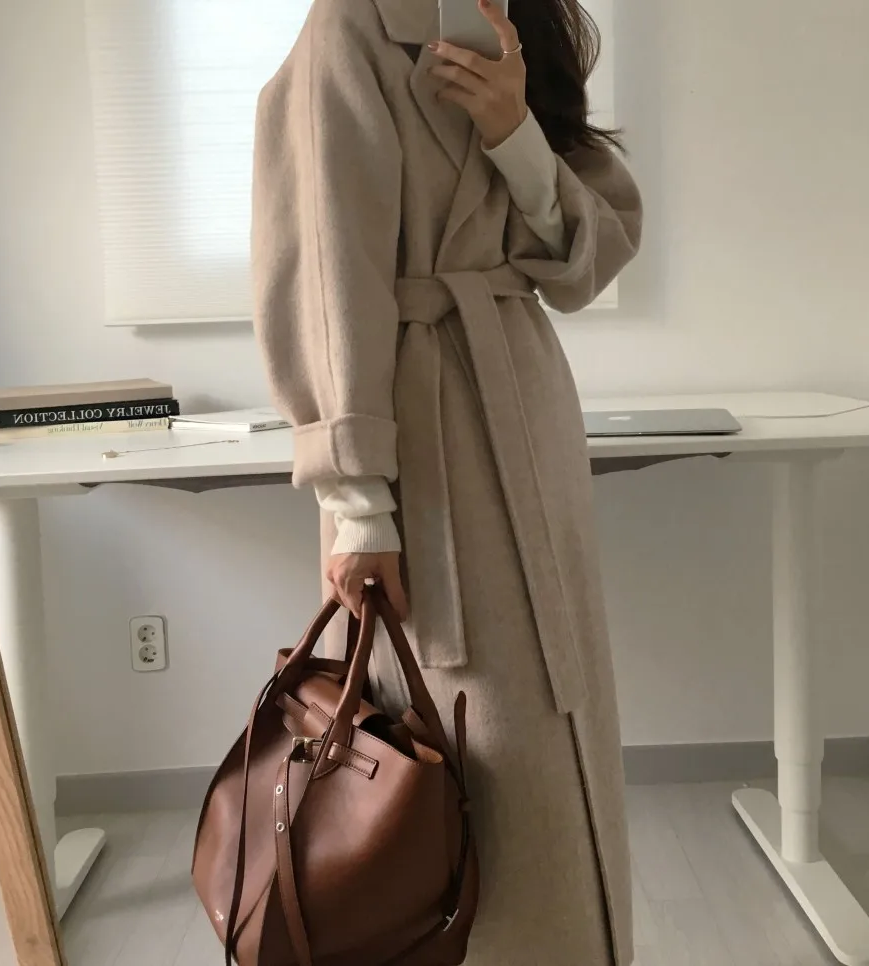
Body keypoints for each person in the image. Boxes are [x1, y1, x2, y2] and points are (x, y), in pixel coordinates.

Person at [252, 0, 643, 962]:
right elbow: (324, 266)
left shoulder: (531, 25)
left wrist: (514, 132)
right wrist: (358, 506)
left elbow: (586, 261)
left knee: (560, 733)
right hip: (423, 441)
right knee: (455, 751)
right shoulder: (351, 26)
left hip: (528, 409)